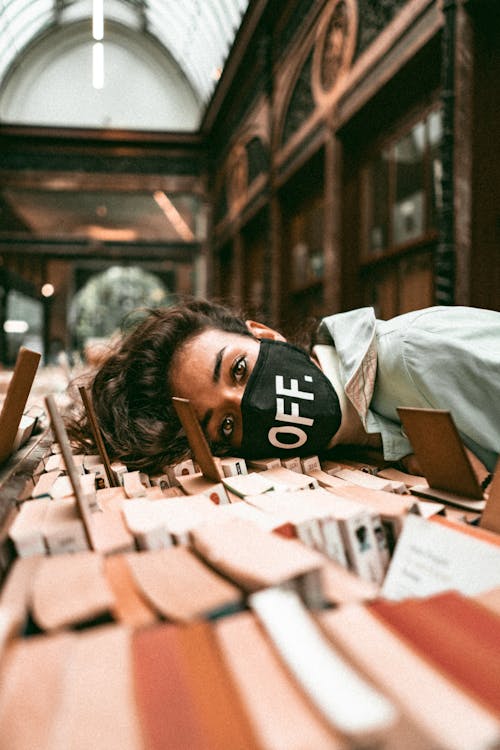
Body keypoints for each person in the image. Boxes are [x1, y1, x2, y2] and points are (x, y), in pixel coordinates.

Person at [68, 298, 500, 483]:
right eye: (226, 424)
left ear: (264, 334)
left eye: (238, 369)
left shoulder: (413, 352)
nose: (249, 402)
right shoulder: (358, 440)